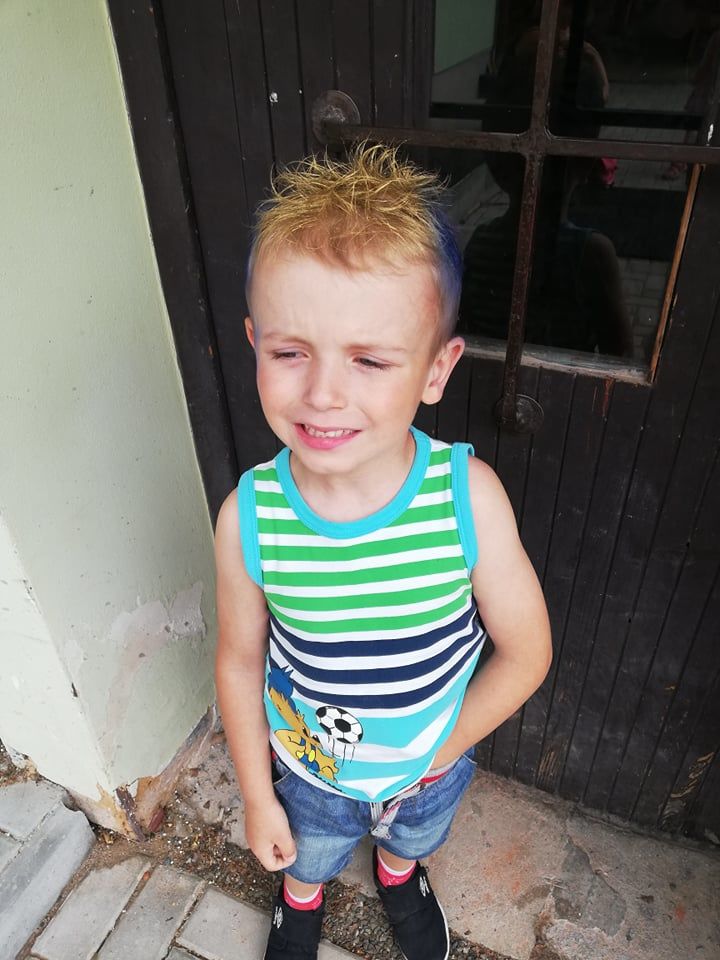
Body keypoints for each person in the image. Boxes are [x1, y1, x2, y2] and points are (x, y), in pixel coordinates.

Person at [214, 142, 552, 960]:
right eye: (289, 352)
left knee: (414, 837)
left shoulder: (466, 501)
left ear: (436, 370)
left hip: (432, 765)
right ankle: (301, 896)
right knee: (310, 850)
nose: (323, 392)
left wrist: (442, 747)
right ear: (255, 342)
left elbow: (527, 651)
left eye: (369, 360)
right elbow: (239, 660)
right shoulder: (250, 518)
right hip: (311, 770)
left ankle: (400, 874)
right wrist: (258, 797)